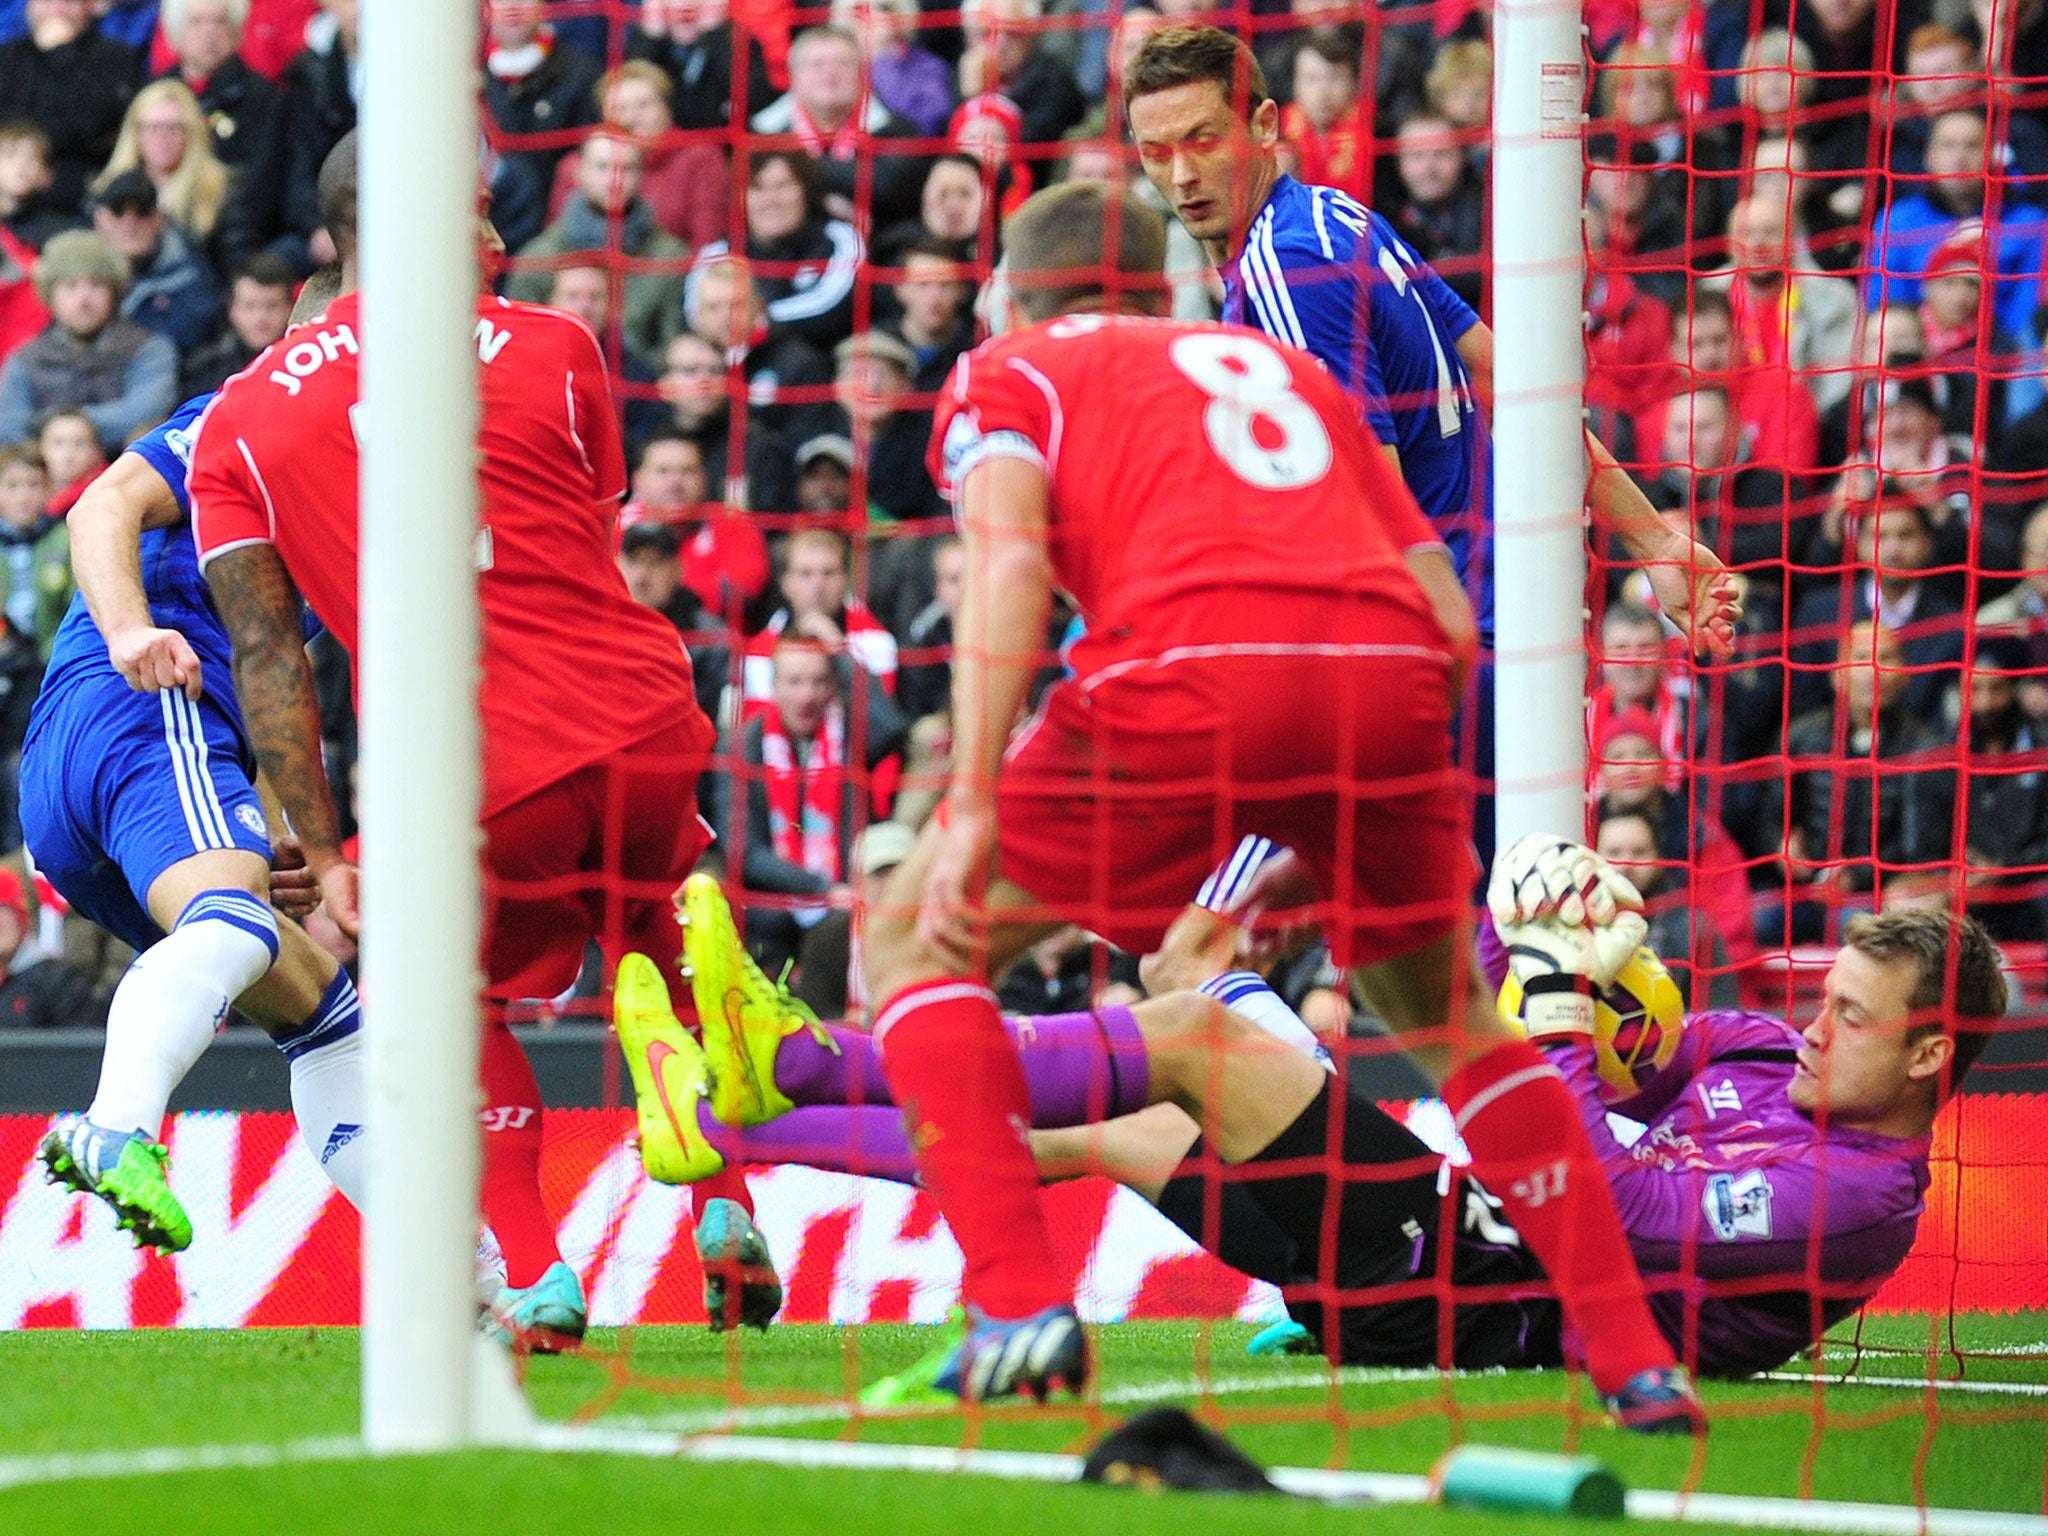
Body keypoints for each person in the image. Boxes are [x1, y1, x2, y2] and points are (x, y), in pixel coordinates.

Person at [847, 179, 1694, 1424]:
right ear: (1164, 284)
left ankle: (1019, 1308)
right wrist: (1351, 819)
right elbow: (1449, 614)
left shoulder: (1006, 370)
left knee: (910, 937)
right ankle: (1634, 1362)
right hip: (1395, 681)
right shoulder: (1273, 364)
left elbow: (1009, 557)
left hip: (1181, 671)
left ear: (1015, 290)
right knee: (1456, 1024)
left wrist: (966, 791)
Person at [641, 834, 1996, 1397]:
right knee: (1105, 1137)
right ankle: (743, 1126)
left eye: (1855, 1021)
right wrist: (1606, 956)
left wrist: (1549, 1003)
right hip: (1425, 1237)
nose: (1817, 1029)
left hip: (1464, 1290)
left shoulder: (1860, 1203)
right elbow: (1646, 1056)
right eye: (1829, 1002)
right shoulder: (1767, 1049)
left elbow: (1622, 1210)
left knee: (1200, 1027)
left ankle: (816, 1065)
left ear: (1933, 1054)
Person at [186, 133, 725, 1345]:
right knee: (649, 931)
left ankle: (537, 1275)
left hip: (475, 770)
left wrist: (325, 857)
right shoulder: (559, 343)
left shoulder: (240, 424)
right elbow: (587, 540)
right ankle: (727, 1205)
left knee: (440, 997)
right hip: (642, 720)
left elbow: (271, 660)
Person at [20, 390, 368, 1262]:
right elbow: (102, 502)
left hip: (93, 758)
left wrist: (276, 834)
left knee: (322, 1004)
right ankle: (116, 1127)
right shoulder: (263, 409)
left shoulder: (343, 487)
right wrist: (135, 631)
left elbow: (267, 676)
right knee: (240, 920)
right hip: (148, 705)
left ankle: (470, 1275)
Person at [706, 632, 907, 971]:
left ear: (834, 686)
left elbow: (891, 728)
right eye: (794, 681)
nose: (807, 696)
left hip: (845, 908)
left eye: (819, 681)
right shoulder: (740, 747)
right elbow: (743, 850)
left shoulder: (852, 738)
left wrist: (840, 651)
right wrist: (823, 888)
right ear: (773, 686)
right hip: (770, 908)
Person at [508, 132, 689, 362]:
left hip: (639, 389)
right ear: (579, 171)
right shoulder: (538, 259)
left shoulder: (670, 258)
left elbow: (672, 351)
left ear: (643, 175)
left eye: (628, 168)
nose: (615, 178)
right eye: (603, 167)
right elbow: (520, 345)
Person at [0, 229, 178, 452]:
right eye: (70, 286)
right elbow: (9, 429)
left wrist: (57, 424)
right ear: (49, 295)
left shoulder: (149, 350)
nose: (84, 299)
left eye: (96, 285)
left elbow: (146, 413)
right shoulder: (24, 359)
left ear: (114, 291)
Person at [0, 0, 141, 213]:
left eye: (68, 2)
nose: (56, 10)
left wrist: (60, 53)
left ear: (89, 7)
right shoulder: (8, 56)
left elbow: (90, 125)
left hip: (77, 200)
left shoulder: (115, 57)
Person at [91, 169, 221, 356]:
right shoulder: (80, 272)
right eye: (118, 212)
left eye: (142, 212)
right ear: (100, 219)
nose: (130, 224)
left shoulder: (191, 273)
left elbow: (188, 337)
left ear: (159, 218)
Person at [180, 252, 295, 396]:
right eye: (249, 306)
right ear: (232, 310)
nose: (260, 318)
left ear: (290, 308)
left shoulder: (306, 361)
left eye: (272, 306)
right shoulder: (204, 370)